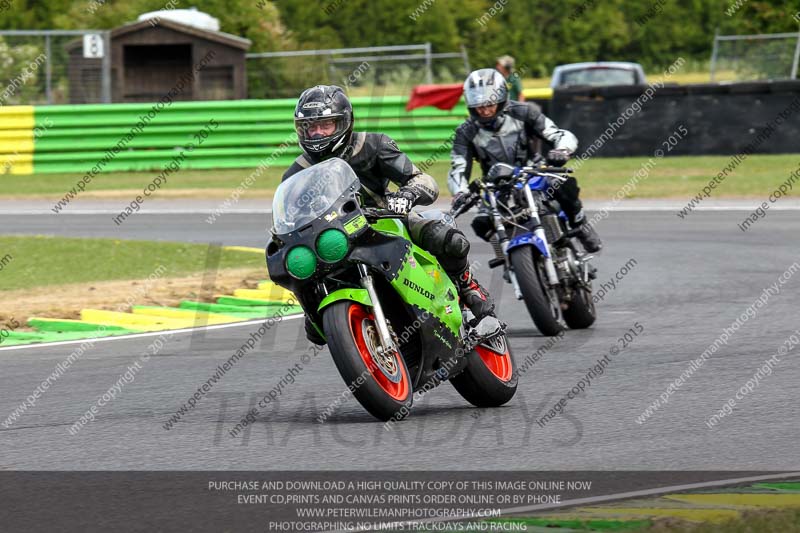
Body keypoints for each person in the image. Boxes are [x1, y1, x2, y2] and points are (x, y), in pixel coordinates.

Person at [283, 84, 501, 345]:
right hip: (335, 240)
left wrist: (406, 196)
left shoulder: (374, 144)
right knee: (298, 273)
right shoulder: (297, 172)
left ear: (344, 122)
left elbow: (423, 180)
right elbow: (289, 218)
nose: (317, 132)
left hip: (385, 220)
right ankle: (321, 313)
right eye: (310, 126)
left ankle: (468, 287)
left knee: (445, 237)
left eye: (325, 125)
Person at [448, 68, 602, 253]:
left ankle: (581, 226)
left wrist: (562, 150)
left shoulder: (523, 112)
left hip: (533, 173)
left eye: (490, 104)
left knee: (563, 186)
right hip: (496, 186)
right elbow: (458, 167)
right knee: (481, 224)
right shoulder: (465, 132)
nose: (485, 110)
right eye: (479, 105)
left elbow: (557, 134)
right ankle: (507, 256)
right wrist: (460, 192)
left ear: (501, 98)